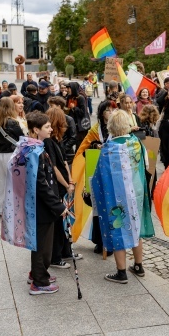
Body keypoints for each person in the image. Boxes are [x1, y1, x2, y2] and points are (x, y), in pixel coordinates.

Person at [4, 111, 67, 295]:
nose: (50, 129)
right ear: (35, 130)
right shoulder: (33, 151)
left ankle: (37, 273)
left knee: (41, 243)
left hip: (41, 205)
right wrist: (58, 206)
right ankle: (39, 282)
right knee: (42, 246)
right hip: (41, 206)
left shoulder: (32, 146)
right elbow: (40, 183)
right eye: (47, 127)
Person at [91, 110, 154, 283]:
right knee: (135, 226)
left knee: (117, 228)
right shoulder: (136, 143)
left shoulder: (108, 149)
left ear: (110, 126)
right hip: (136, 192)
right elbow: (146, 165)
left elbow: (99, 176)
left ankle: (121, 272)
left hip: (116, 196)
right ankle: (139, 265)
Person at [72, 101, 114, 256]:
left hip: (112, 173)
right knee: (97, 207)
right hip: (96, 172)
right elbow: (83, 150)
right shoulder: (95, 130)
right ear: (102, 112)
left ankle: (111, 242)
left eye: (113, 110)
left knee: (110, 207)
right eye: (108, 110)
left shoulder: (117, 128)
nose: (110, 113)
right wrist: (96, 145)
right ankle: (100, 241)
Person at [44, 107, 81, 269]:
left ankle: (66, 250)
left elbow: (64, 161)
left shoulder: (58, 139)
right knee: (59, 221)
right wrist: (66, 184)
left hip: (65, 185)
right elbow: (54, 167)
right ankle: (55, 256)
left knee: (66, 220)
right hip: (57, 186)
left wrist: (71, 180)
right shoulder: (48, 142)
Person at [0, 97, 24, 217]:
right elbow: (22, 138)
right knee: (13, 182)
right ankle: (11, 208)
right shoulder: (13, 122)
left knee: (1, 182)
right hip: (11, 154)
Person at [47, 96, 76, 163]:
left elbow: (73, 137)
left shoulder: (69, 119)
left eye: (51, 106)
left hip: (67, 155)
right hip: (53, 153)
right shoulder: (48, 118)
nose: (49, 108)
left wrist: (63, 149)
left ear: (59, 107)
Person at [66, 81, 88, 147]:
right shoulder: (69, 97)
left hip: (80, 126)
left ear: (73, 88)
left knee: (80, 144)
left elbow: (83, 112)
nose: (67, 90)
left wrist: (74, 108)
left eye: (68, 88)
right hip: (72, 124)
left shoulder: (81, 98)